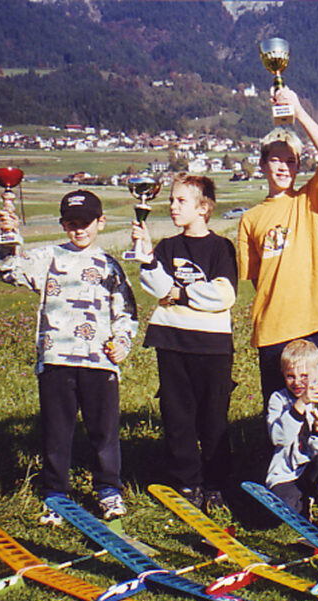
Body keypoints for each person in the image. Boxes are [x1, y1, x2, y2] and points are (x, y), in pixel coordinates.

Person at [0, 189, 137, 524]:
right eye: (71, 223)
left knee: (104, 432)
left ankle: (108, 491)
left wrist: (122, 344)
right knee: (57, 432)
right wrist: (7, 237)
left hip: (99, 363)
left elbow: (126, 311)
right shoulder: (47, 258)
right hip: (56, 361)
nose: (78, 230)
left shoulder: (110, 265)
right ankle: (56, 495)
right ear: (62, 225)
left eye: (85, 222)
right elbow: (9, 268)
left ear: (101, 222)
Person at [134, 173, 237, 511]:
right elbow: (156, 285)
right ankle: (186, 484)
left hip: (212, 346)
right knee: (177, 416)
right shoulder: (167, 247)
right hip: (172, 340)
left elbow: (223, 295)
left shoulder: (221, 248)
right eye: (171, 200)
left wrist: (181, 292)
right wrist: (148, 258)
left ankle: (215, 484)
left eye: (181, 200)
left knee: (213, 418)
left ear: (203, 207)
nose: (172, 206)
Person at [236, 87, 318, 408]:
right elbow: (255, 279)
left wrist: (299, 110)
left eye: (290, 161)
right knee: (280, 416)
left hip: (315, 323)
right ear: (263, 164)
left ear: (298, 167)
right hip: (273, 331)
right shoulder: (250, 220)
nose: (283, 167)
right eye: (275, 159)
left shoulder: (311, 200)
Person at [266, 339, 318, 538]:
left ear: (316, 375)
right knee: (280, 512)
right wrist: (300, 405)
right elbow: (278, 438)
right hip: (287, 472)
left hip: (314, 469)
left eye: (304, 376)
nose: (297, 382)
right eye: (290, 376)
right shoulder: (278, 399)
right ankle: (305, 504)